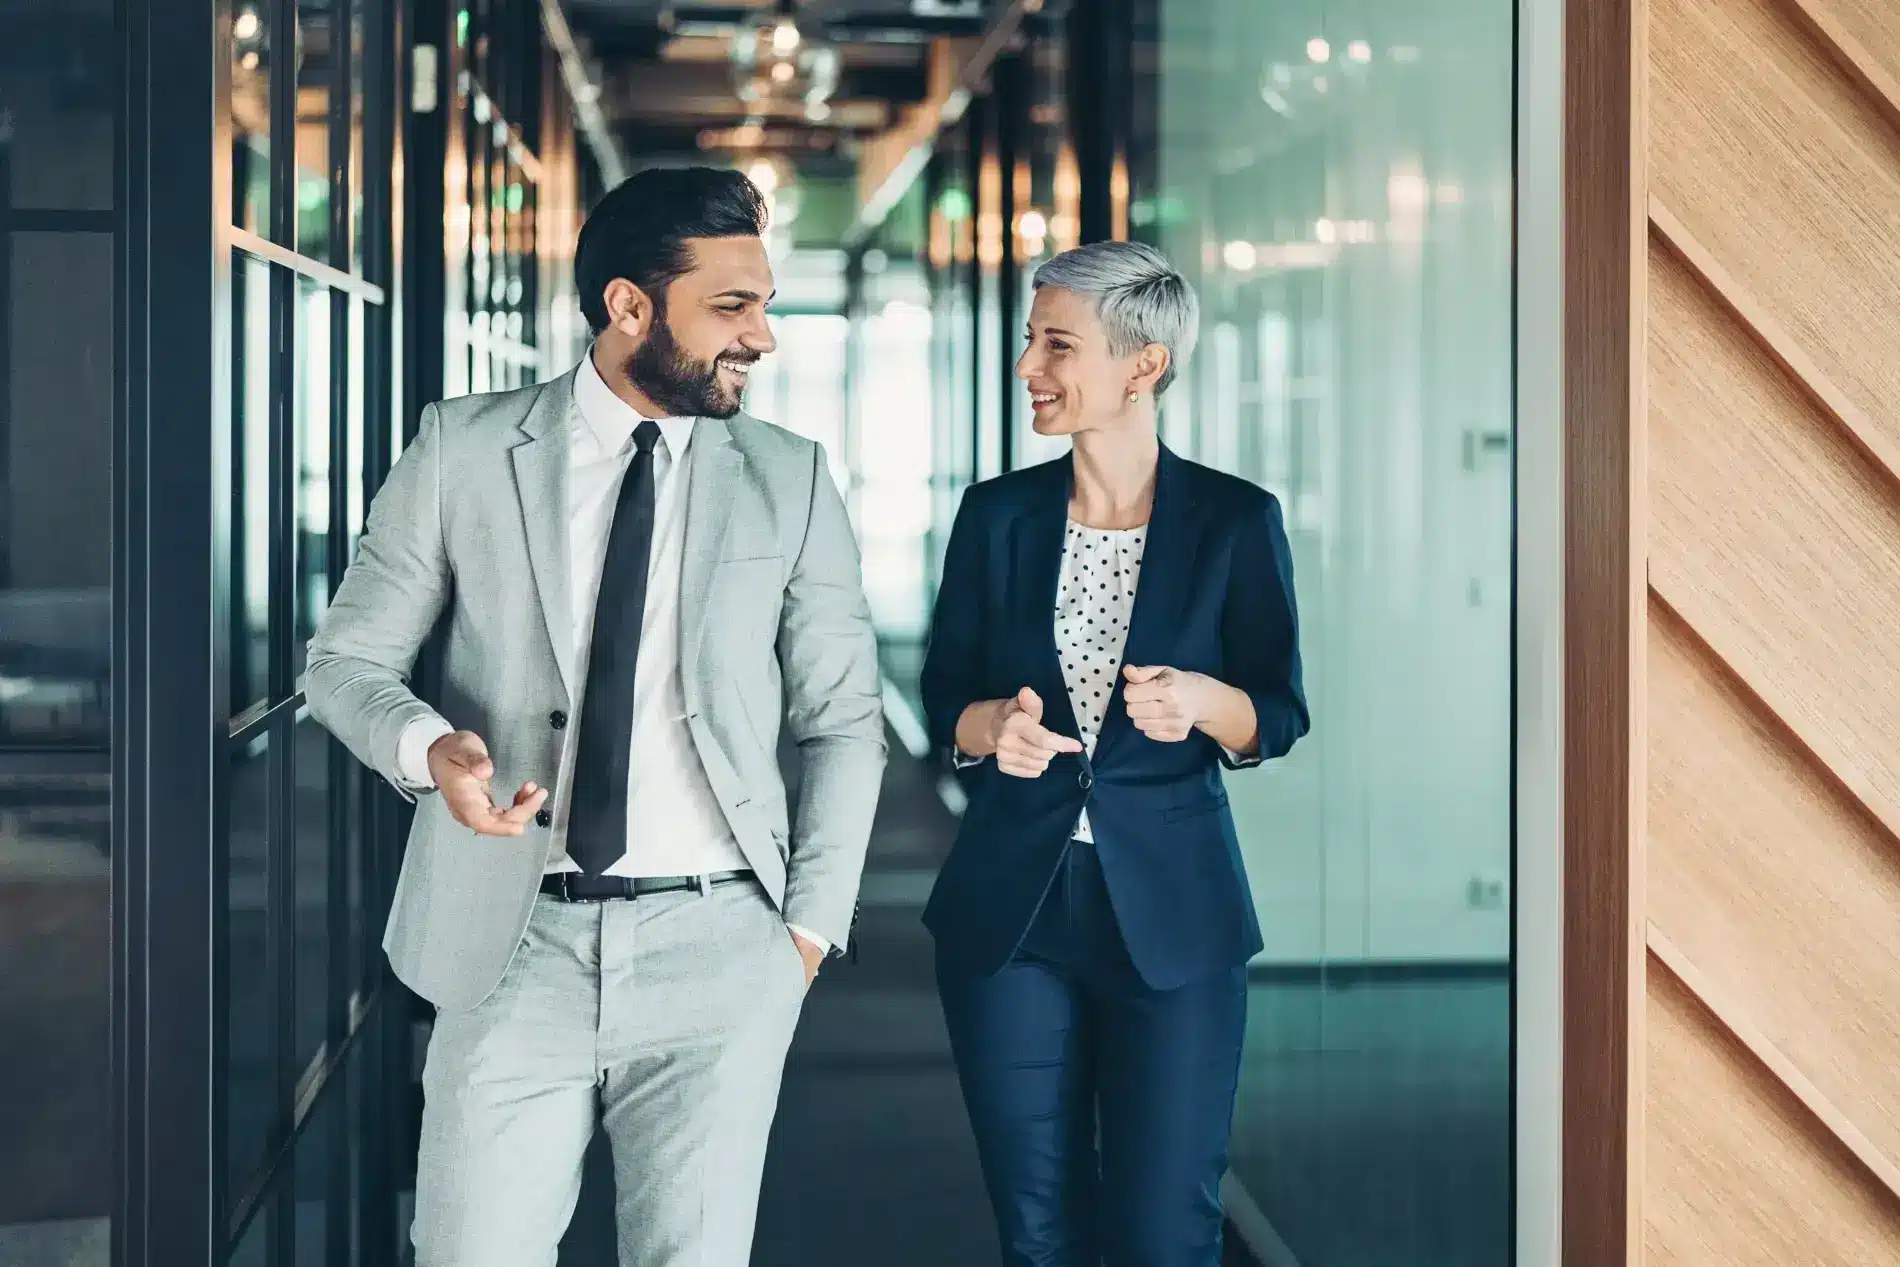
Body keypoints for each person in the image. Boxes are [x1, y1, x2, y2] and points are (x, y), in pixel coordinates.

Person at [304, 166, 886, 1267]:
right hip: (508, 939)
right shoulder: (465, 449)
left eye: (763, 304)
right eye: (732, 305)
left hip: (723, 945)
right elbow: (345, 661)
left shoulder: (790, 478)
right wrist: (431, 748)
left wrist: (804, 931)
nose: (761, 336)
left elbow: (844, 719)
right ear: (629, 306)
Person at [919, 240, 1309, 1266]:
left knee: (1162, 1228)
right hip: (1012, 914)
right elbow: (939, 699)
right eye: (1029, 340)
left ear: (1143, 365)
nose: (1027, 368)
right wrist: (985, 729)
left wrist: (1203, 699)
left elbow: (1277, 710)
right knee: (1037, 1228)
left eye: (1056, 344)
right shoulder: (995, 516)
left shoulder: (1234, 520)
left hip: (1174, 914)